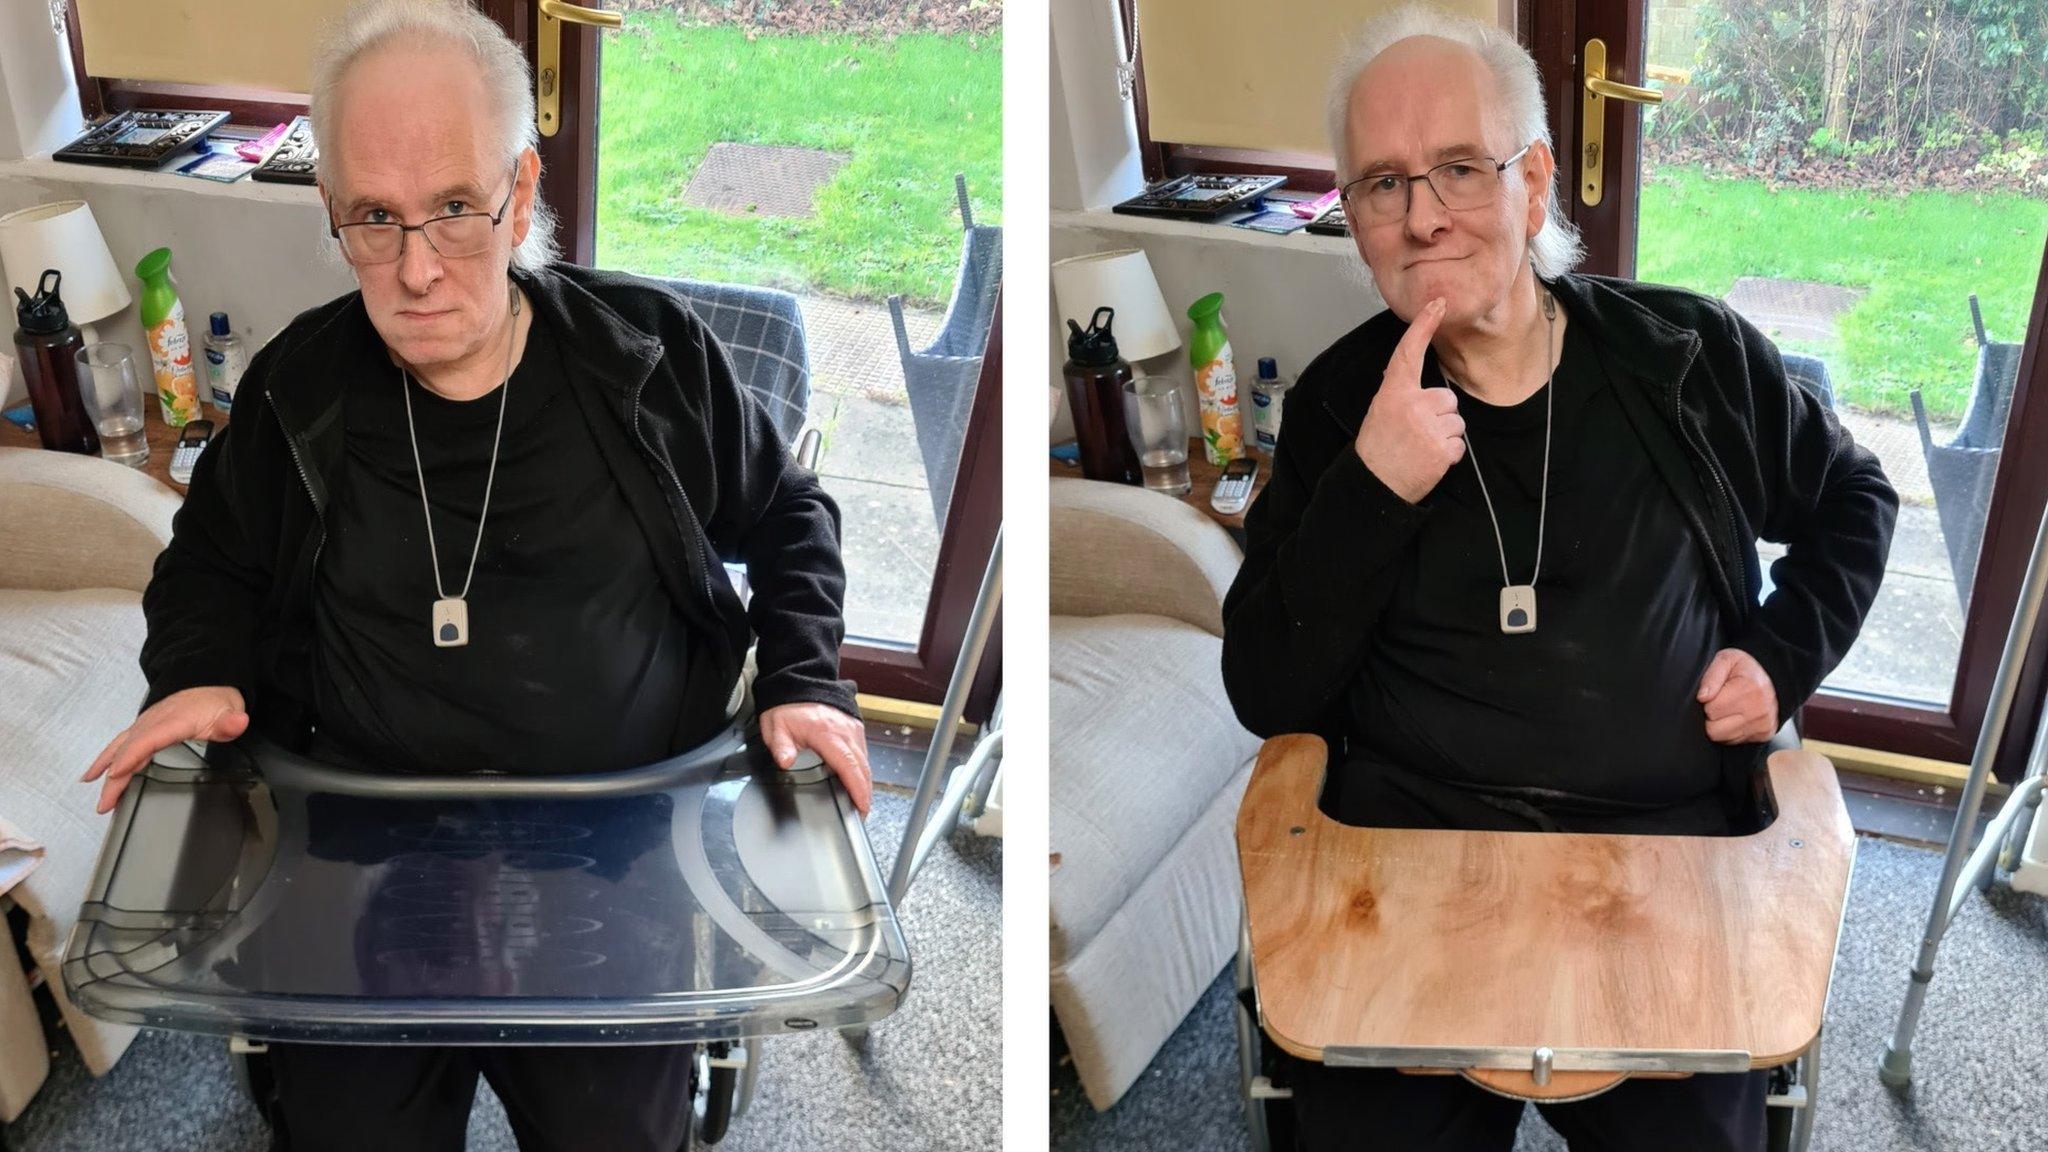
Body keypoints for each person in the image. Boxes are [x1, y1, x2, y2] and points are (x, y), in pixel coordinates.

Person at [78, 1, 870, 1148]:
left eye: (454, 210)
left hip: (617, 864)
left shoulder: (649, 362)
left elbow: (792, 514)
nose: (413, 272)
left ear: (521, 187)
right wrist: (196, 669)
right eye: (372, 220)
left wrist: (802, 675)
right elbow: (211, 564)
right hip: (358, 859)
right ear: (331, 211)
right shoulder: (296, 389)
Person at [1218, 5, 1898, 1150]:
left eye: (1457, 168)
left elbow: (1854, 501)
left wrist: (1784, 660)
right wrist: (1370, 491)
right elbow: (1264, 687)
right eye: (1381, 184)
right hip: (1408, 867)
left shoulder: (1689, 360)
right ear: (1355, 221)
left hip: (1665, 860)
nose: (1422, 215)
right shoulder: (1340, 409)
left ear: (1532, 184)